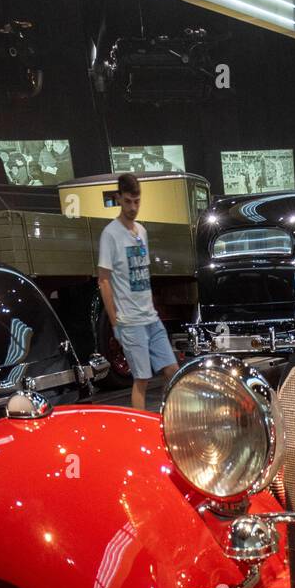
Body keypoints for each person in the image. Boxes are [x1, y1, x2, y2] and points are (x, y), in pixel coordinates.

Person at [98, 172, 177, 410]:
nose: (133, 207)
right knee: (141, 379)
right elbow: (104, 281)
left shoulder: (141, 231)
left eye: (137, 201)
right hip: (130, 322)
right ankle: (140, 431)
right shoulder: (110, 234)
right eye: (128, 201)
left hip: (150, 318)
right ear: (119, 198)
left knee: (173, 371)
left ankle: (172, 419)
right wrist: (116, 324)